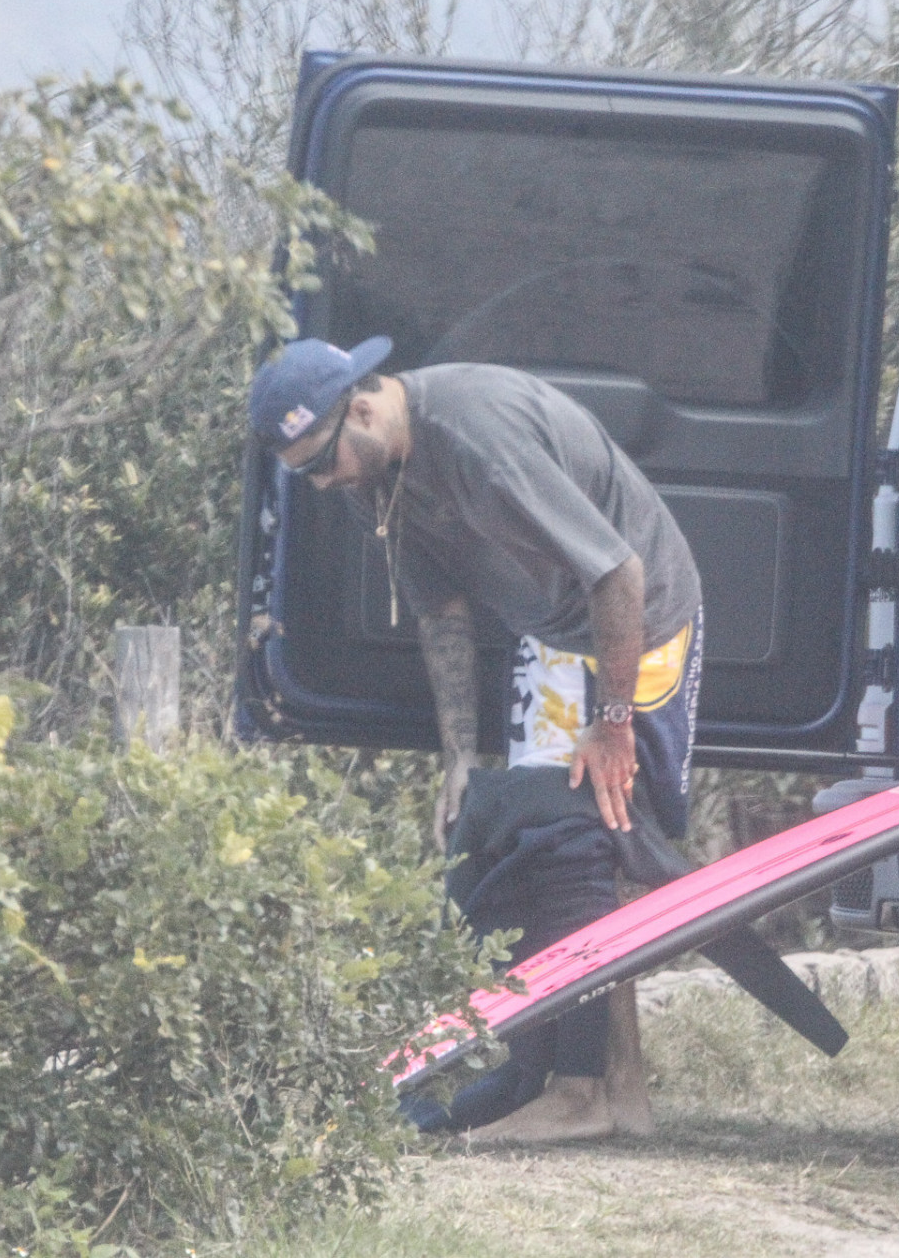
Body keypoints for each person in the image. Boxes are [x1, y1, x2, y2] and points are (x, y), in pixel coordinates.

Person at [247, 335, 703, 1143]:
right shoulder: (375, 475)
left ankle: (593, 1089)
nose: (321, 482)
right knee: (542, 834)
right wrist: (460, 756)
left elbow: (619, 574)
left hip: (638, 616)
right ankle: (597, 1085)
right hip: (555, 627)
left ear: (362, 409)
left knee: (601, 830)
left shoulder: (476, 437)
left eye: (320, 461)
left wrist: (612, 723)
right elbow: (441, 614)